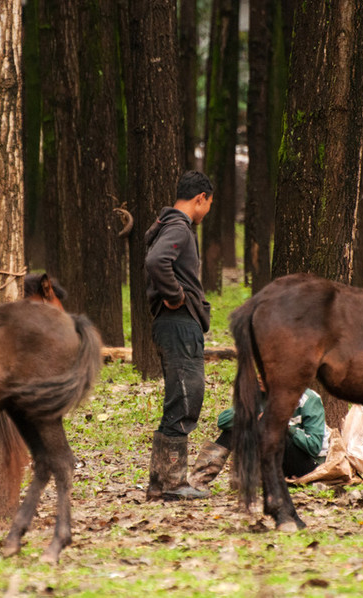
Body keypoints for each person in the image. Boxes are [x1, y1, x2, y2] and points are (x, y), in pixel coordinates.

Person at [143, 170, 214, 500]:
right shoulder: (179, 227)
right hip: (179, 322)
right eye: (208, 204)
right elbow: (158, 262)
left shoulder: (168, 225)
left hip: (172, 323)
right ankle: (173, 484)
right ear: (200, 198)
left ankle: (160, 482)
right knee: (186, 397)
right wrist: (175, 296)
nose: (207, 211)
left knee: (178, 396)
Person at [189, 388, 329, 491]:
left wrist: (286, 425)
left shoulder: (308, 398)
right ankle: (198, 480)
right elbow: (224, 421)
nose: (260, 377)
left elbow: (314, 446)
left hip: (307, 466)